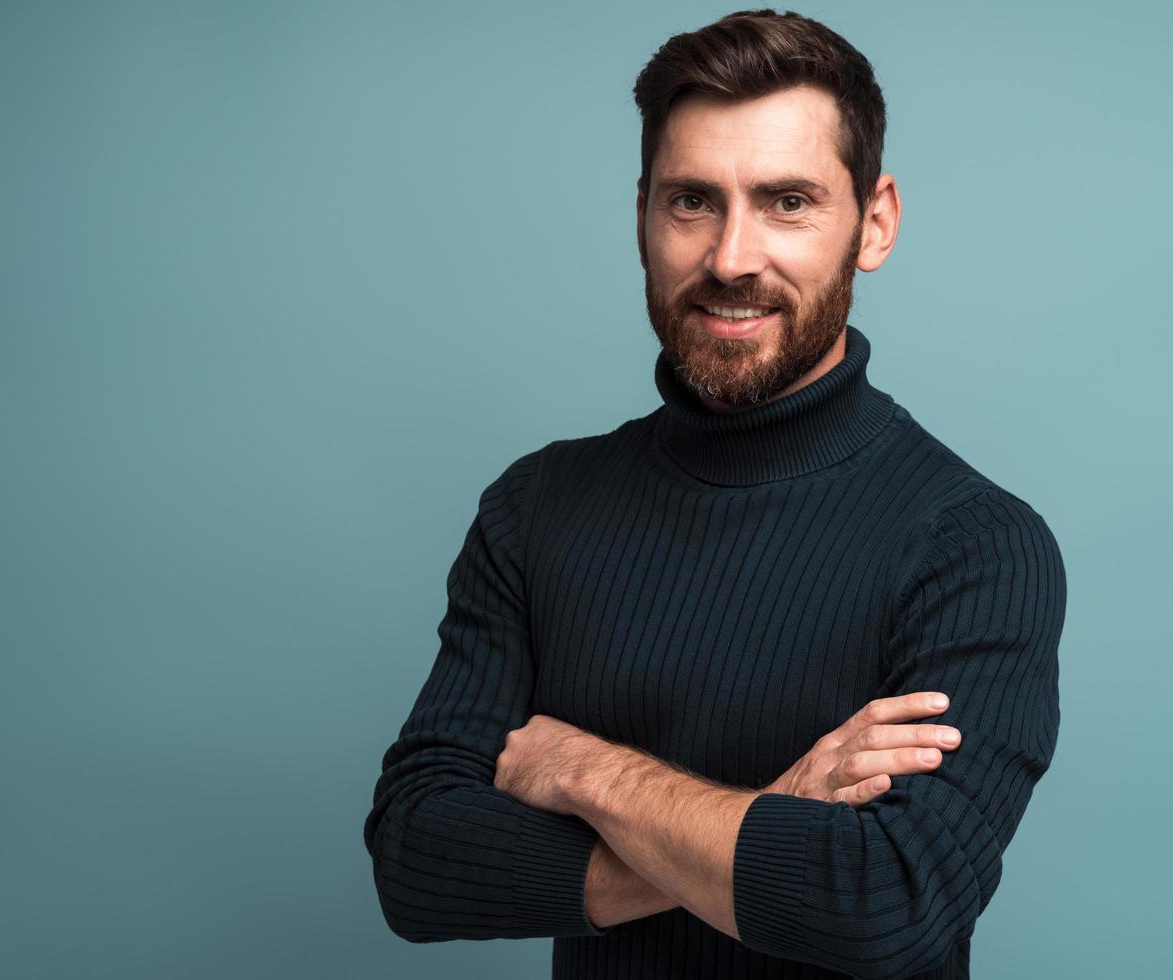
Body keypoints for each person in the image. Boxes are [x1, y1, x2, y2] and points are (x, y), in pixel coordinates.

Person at [362, 9, 1067, 979]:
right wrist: (777, 815)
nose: (732, 257)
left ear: (875, 221)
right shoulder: (536, 510)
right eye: (694, 201)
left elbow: (884, 900)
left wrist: (585, 770)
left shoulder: (975, 544)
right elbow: (415, 859)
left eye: (787, 201)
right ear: (642, 213)